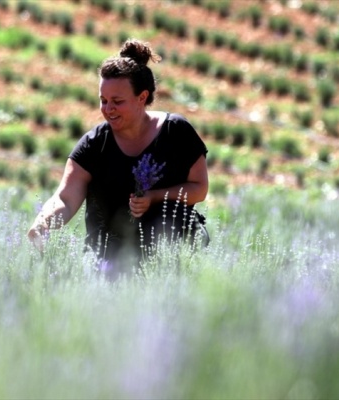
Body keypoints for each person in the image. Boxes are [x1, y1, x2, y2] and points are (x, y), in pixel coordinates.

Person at [27, 38, 209, 274]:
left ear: (142, 97)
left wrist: (155, 197)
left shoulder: (176, 132)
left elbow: (199, 189)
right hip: (108, 263)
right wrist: (43, 224)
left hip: (171, 259)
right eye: (103, 101)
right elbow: (65, 198)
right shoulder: (94, 145)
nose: (107, 109)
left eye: (117, 101)